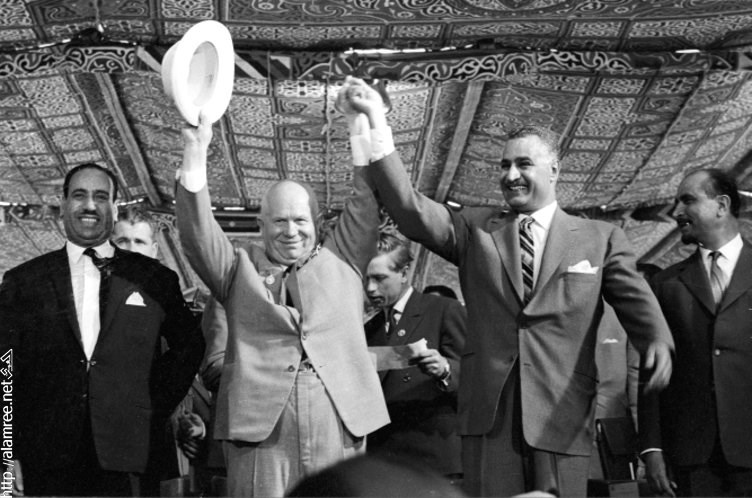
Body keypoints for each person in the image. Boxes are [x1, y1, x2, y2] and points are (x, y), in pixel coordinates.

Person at [339, 76, 674, 497]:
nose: (511, 175)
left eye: (523, 164)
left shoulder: (600, 238)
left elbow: (635, 299)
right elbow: (409, 208)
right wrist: (375, 121)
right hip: (489, 416)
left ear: (554, 170)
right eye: (504, 165)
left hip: (563, 413)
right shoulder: (474, 229)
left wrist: (656, 337)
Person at [174, 112, 389, 496]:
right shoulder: (237, 269)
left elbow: (366, 202)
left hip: (337, 420)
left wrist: (362, 134)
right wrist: (195, 150)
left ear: (318, 223)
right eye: (279, 221)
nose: (291, 231)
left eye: (300, 220)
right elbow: (197, 234)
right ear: (261, 225)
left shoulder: (345, 259)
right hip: (261, 431)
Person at [0, 163, 205, 496]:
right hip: (45, 459)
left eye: (100, 196)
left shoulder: (154, 279)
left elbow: (189, 347)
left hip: (130, 456)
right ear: (63, 203)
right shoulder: (23, 281)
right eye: (79, 195)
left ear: (114, 206)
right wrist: (6, 450)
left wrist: (149, 407)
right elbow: (4, 367)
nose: (89, 205)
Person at [639, 169, 752, 497]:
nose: (676, 211)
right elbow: (652, 374)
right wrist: (652, 449)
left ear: (722, 205)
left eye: (688, 200)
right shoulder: (665, 284)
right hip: (692, 457)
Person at [363, 232, 466, 481]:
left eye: (379, 278)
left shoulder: (444, 310)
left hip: (433, 457)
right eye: (365, 279)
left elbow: (480, 379)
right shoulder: (369, 328)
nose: (370, 288)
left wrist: (446, 370)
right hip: (385, 459)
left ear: (404, 273)